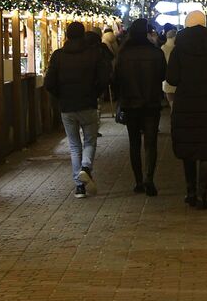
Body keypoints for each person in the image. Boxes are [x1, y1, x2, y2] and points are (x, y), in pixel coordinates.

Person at [166, 9, 207, 209]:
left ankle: (190, 192)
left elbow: (172, 78)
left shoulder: (179, 48)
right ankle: (203, 195)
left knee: (188, 147)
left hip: (186, 103)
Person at [44, 21, 111, 198]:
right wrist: (95, 92)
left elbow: (49, 83)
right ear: (83, 35)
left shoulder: (58, 56)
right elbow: (104, 78)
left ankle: (79, 187)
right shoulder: (93, 54)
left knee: (74, 146)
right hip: (87, 104)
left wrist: (61, 95)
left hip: (67, 106)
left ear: (66, 35)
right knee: (89, 141)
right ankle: (86, 168)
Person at [113, 17, 167, 196]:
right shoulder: (155, 53)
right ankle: (149, 179)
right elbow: (162, 75)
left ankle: (138, 181)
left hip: (130, 103)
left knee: (134, 142)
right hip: (151, 102)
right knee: (151, 143)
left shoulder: (123, 54)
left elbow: (116, 79)